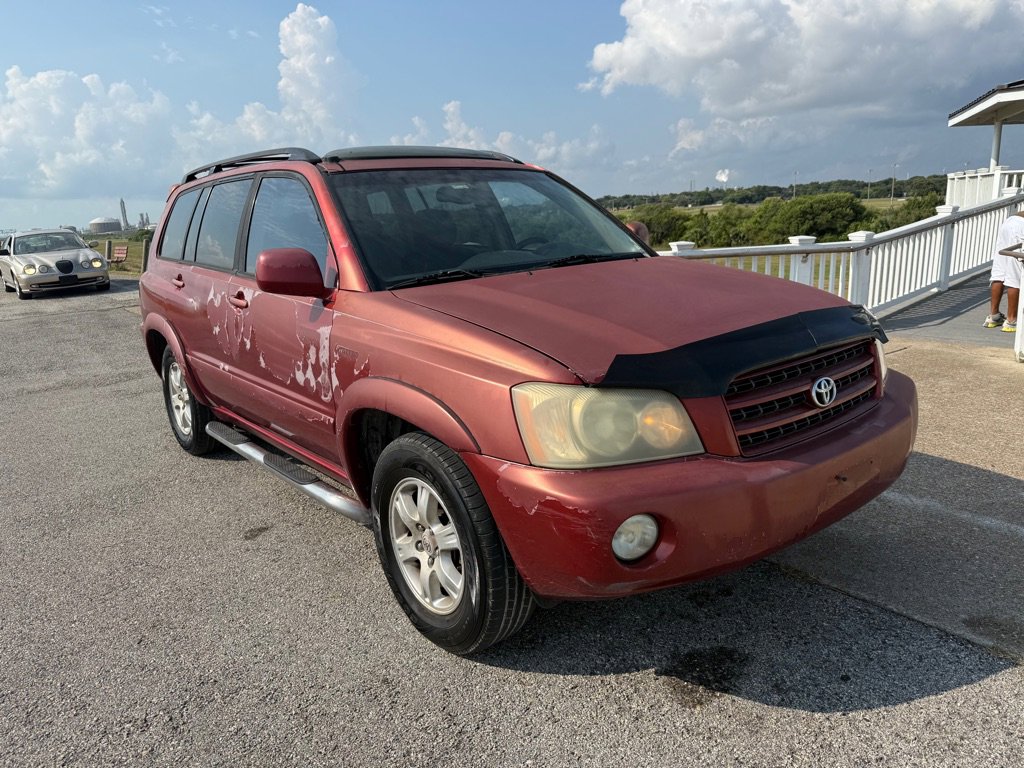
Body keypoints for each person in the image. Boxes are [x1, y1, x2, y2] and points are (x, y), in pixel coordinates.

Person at [985, 210, 1024, 332]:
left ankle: (994, 316)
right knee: (1016, 274)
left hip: (1009, 222)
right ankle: (1012, 321)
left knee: (1000, 272)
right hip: (1021, 226)